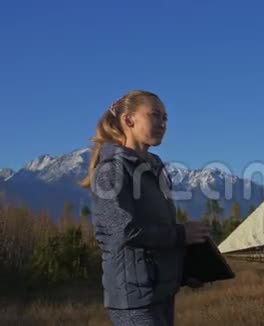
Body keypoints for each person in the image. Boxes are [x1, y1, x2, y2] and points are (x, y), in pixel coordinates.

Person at [79, 90, 210, 326]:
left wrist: (183, 270)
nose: (163, 123)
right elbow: (123, 232)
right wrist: (182, 234)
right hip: (134, 298)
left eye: (165, 118)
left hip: (159, 291)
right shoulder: (111, 171)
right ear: (128, 120)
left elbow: (156, 231)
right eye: (155, 115)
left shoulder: (155, 170)